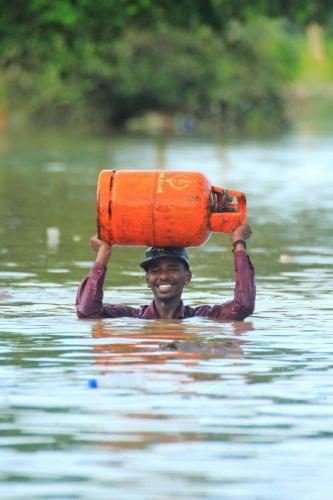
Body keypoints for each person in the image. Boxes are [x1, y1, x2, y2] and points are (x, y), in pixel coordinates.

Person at [76, 223, 255, 321]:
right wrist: (103, 253)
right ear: (147, 280)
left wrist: (238, 243)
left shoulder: (202, 316)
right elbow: (87, 312)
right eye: (155, 270)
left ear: (188, 276)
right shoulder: (131, 316)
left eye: (172, 269)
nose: (163, 276)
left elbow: (243, 307)